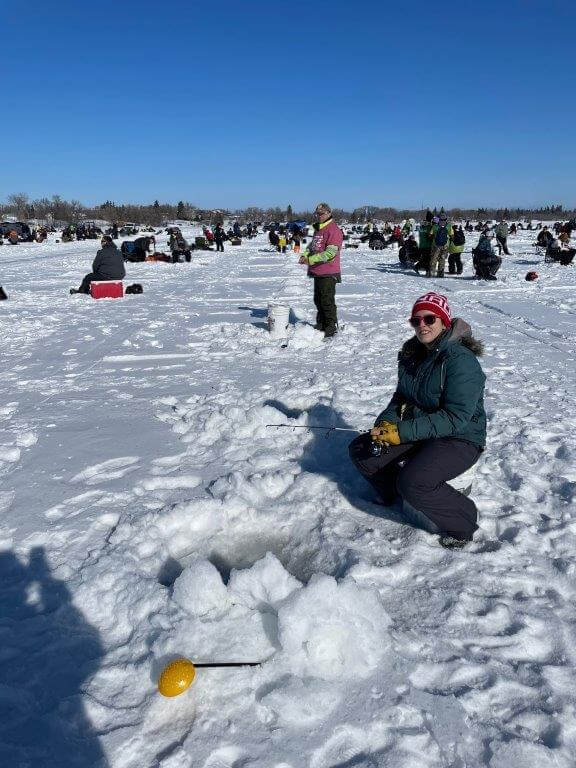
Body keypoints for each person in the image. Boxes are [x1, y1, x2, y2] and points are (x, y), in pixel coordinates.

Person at [349, 292, 486, 548]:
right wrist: (388, 422)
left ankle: (464, 522)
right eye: (416, 321)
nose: (422, 325)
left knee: (414, 482)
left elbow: (456, 418)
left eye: (429, 319)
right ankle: (397, 497)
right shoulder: (412, 353)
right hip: (422, 429)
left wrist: (402, 433)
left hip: (460, 436)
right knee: (362, 450)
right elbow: (402, 396)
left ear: (444, 321)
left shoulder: (460, 361)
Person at [299, 202, 343, 338]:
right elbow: (312, 247)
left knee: (326, 300)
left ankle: (331, 325)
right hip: (317, 271)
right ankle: (321, 323)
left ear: (329, 213)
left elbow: (330, 254)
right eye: (317, 213)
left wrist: (311, 260)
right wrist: (305, 255)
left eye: (322, 213)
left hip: (329, 272)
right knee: (318, 299)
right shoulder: (319, 229)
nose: (319, 216)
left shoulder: (333, 230)